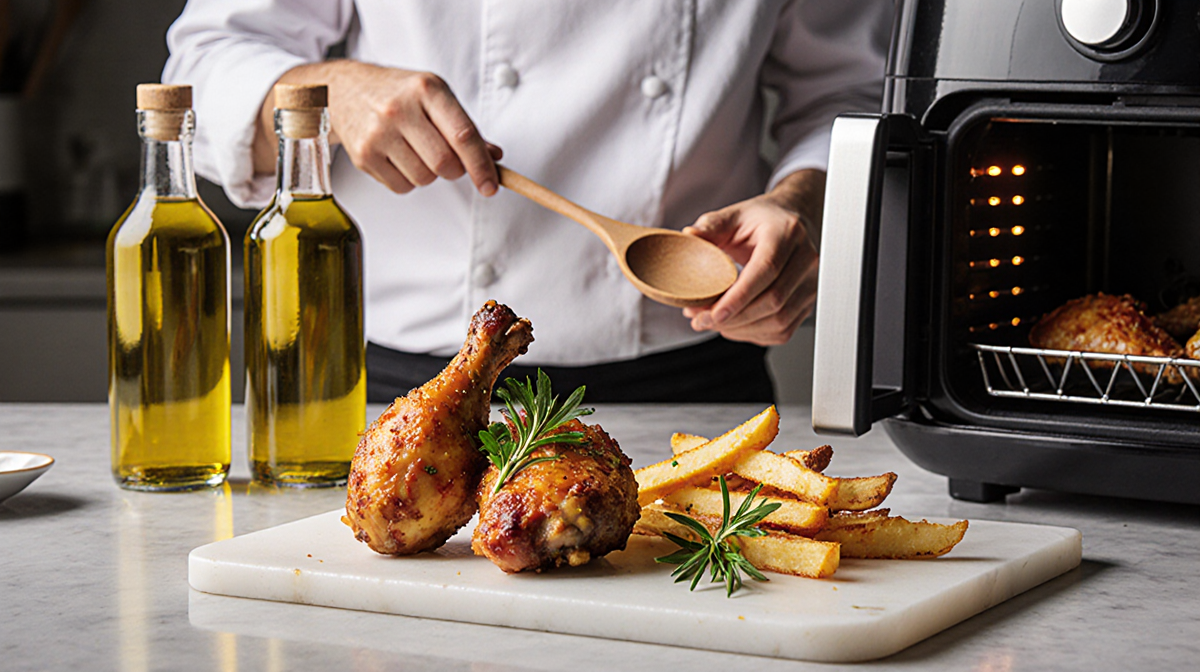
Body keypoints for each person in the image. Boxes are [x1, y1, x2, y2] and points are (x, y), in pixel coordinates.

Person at [163, 1, 892, 403]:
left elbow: (851, 95)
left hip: (688, 377)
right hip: (393, 385)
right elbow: (201, 69)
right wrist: (328, 92)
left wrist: (806, 199)